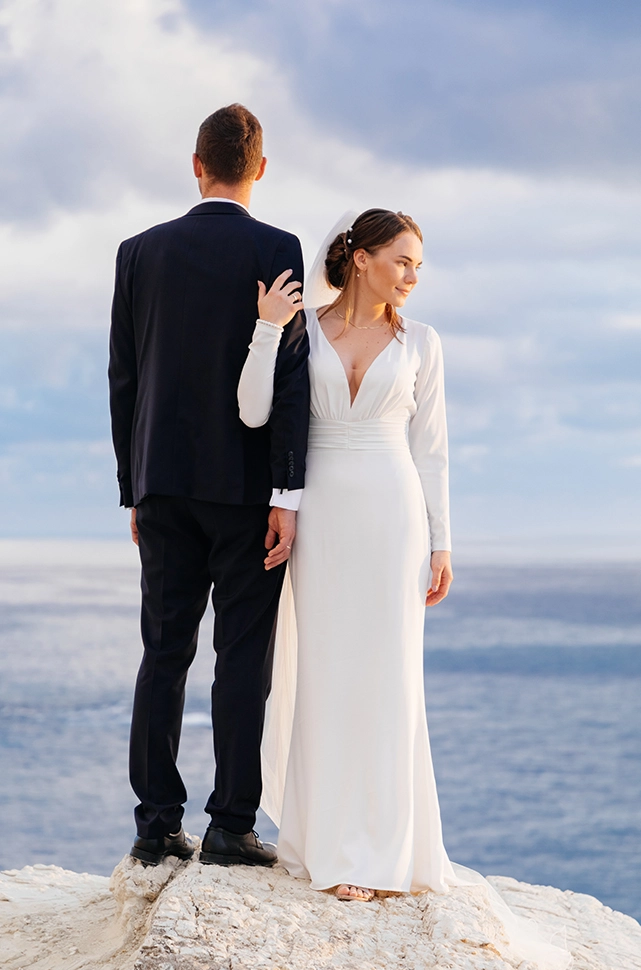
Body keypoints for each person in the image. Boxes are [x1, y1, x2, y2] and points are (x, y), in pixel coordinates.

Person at [108, 104, 310, 868]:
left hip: (160, 481)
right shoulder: (277, 247)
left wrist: (135, 488)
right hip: (247, 490)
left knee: (163, 652)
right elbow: (288, 389)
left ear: (196, 165)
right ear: (260, 169)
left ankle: (157, 824)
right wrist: (286, 496)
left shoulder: (138, 253)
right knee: (242, 657)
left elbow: (123, 377)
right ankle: (231, 824)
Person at [237, 208, 456, 901]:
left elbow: (432, 450)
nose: (413, 276)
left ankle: (384, 856)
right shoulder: (305, 329)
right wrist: (267, 327)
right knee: (326, 670)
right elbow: (258, 411)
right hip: (322, 512)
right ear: (361, 258)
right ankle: (329, 845)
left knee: (390, 674)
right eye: (403, 260)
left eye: (419, 265)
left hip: (395, 518)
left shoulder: (422, 341)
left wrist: (442, 540)